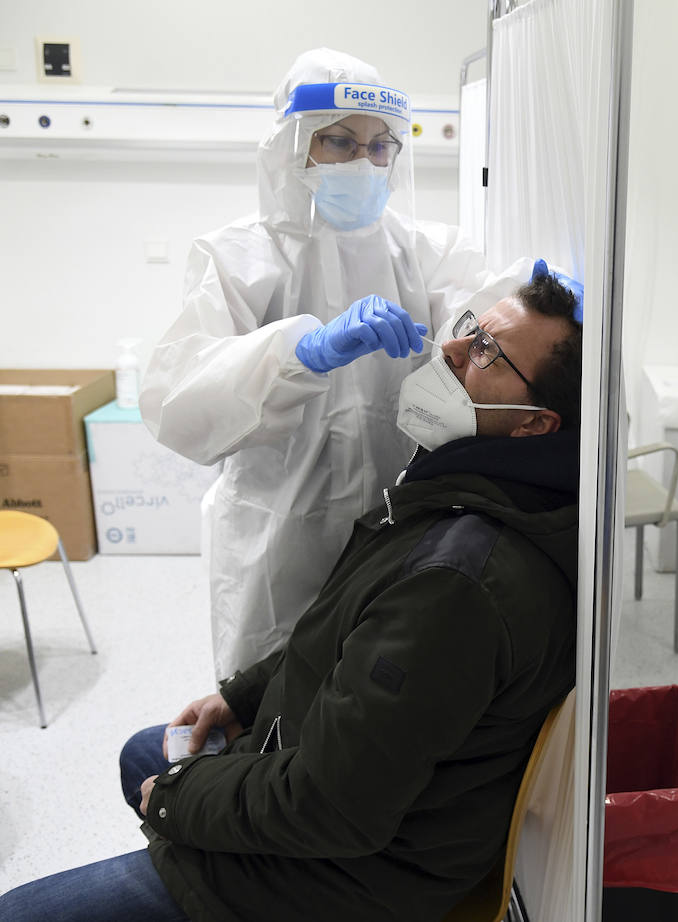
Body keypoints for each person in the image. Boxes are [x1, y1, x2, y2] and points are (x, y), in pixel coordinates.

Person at [0, 272, 584, 922]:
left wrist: (173, 799)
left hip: (344, 879)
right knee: (148, 749)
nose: (452, 350)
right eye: (471, 329)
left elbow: (332, 811)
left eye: (487, 352)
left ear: (535, 424)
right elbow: (346, 627)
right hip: (349, 790)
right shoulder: (467, 495)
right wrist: (245, 695)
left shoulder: (457, 579)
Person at [140, 48, 496, 680]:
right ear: (291, 146)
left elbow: (486, 305)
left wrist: (539, 294)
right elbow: (178, 406)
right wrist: (296, 354)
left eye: (379, 146)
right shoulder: (237, 258)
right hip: (278, 538)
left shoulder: (421, 250)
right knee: (266, 701)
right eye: (338, 141)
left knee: (372, 699)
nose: (363, 162)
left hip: (396, 527)